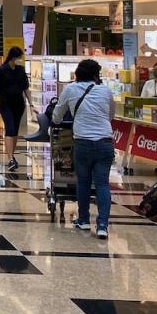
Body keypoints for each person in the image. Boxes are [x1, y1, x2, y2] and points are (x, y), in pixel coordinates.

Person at [54, 58, 116, 239]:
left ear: (78, 73)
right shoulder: (105, 90)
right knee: (103, 183)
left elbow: (57, 116)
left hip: (83, 143)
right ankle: (103, 225)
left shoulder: (70, 89)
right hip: (105, 142)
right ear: (96, 75)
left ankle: (84, 219)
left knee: (83, 182)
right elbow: (111, 115)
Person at [0, 47, 31, 171]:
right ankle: (10, 159)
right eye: (19, 58)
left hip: (18, 104)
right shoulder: (2, 70)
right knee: (10, 128)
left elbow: (26, 88)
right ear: (13, 57)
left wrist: (31, 103)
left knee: (15, 131)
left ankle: (12, 156)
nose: (20, 60)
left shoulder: (21, 70)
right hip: (6, 103)